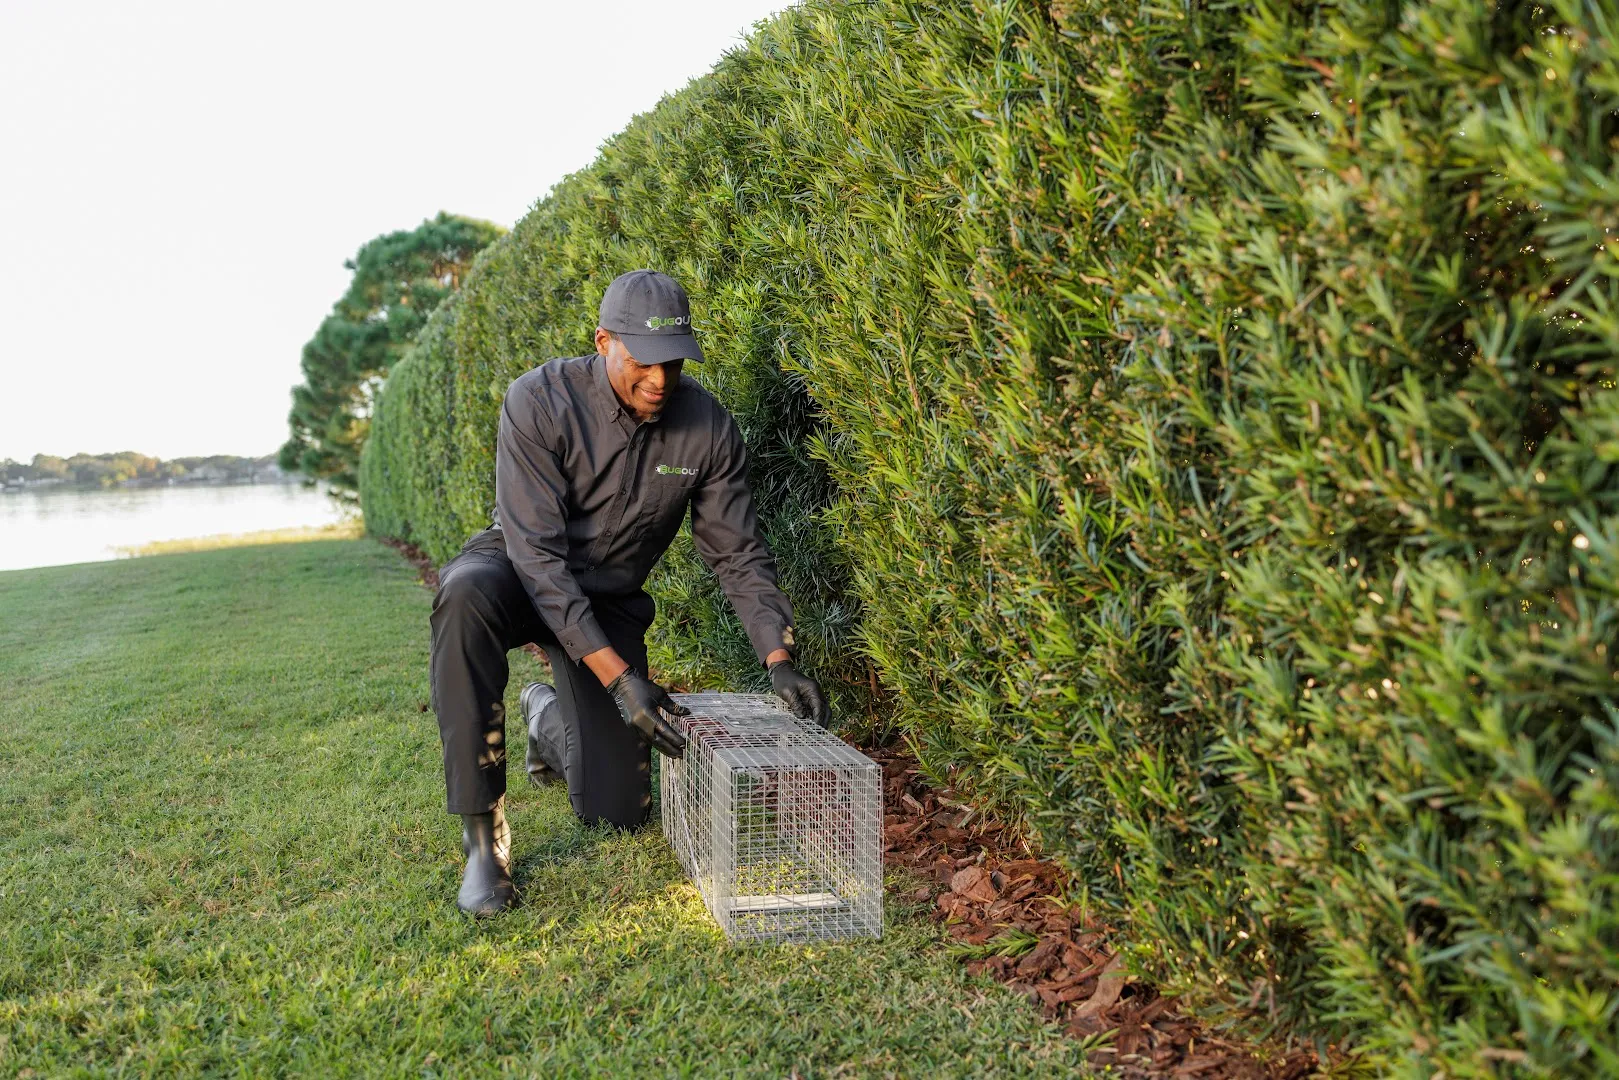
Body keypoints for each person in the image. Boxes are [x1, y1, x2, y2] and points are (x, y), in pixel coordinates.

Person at [427, 268, 830, 916]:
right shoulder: (537, 400)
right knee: (464, 594)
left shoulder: (707, 429)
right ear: (603, 340)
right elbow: (538, 558)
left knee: (617, 814)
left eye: (673, 362)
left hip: (607, 598)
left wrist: (777, 658)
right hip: (519, 573)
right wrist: (619, 681)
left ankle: (546, 718)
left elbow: (737, 552)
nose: (658, 379)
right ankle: (483, 841)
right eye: (642, 360)